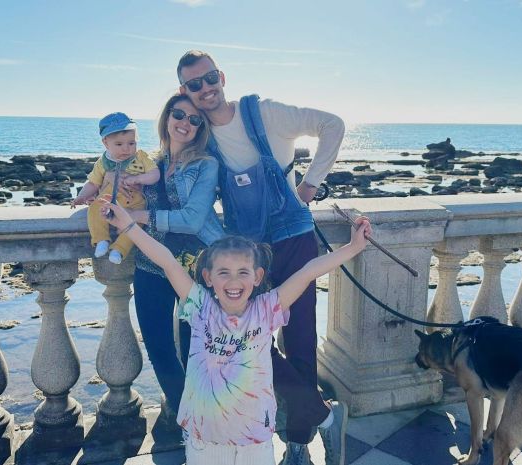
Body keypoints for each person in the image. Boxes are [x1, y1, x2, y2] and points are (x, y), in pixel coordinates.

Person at [100, 196, 371, 465]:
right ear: (208, 277)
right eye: (224, 272)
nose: (233, 281)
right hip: (204, 440)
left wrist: (353, 247)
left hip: (255, 441)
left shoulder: (266, 310)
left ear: (258, 277)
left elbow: (308, 272)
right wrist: (128, 226)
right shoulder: (200, 307)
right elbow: (168, 261)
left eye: (243, 272)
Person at [177, 50, 347, 465]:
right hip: (248, 255)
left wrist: (310, 185)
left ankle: (298, 444)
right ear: (186, 90)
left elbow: (333, 125)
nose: (205, 89)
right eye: (195, 85)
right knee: (246, 339)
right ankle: (321, 413)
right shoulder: (202, 137)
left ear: (222, 77)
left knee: (301, 338)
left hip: (294, 238)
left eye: (210, 78)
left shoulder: (264, 112)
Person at [125, 94, 225, 415]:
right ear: (167, 117)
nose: (185, 123)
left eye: (195, 120)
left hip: (193, 267)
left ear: (200, 128)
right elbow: (115, 185)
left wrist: (140, 218)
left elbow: (193, 220)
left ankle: (205, 421)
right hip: (150, 263)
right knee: (158, 348)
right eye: (179, 114)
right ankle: (187, 419)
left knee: (195, 351)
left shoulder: (205, 165)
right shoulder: (147, 164)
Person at [71, 112, 160, 264]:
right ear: (106, 143)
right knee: (94, 210)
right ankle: (101, 240)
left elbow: (155, 175)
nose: (126, 149)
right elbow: (93, 183)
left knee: (136, 225)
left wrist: (138, 178)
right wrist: (81, 197)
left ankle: (119, 250)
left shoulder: (141, 157)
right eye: (119, 144)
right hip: (109, 201)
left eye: (131, 143)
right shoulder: (103, 163)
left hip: (136, 204)